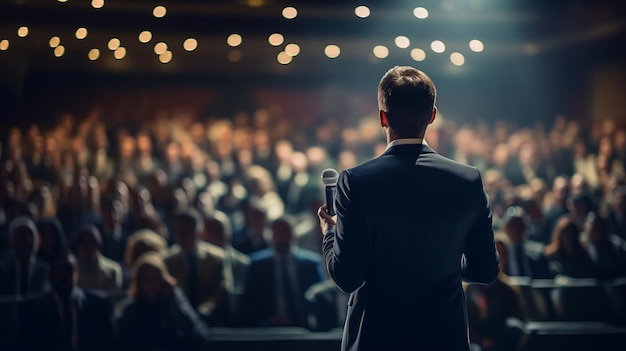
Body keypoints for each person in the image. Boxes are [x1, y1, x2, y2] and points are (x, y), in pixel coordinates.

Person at [317, 66, 500, 351]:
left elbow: (347, 277)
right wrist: (446, 263)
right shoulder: (468, 180)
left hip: (377, 339)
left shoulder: (356, 182)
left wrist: (330, 232)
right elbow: (485, 270)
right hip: (443, 338)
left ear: (382, 117)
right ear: (432, 115)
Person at [19, 252, 115, 351]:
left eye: (69, 270)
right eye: (59, 270)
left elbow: (108, 343)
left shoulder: (98, 305)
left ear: (77, 272)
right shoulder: (33, 309)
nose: (64, 275)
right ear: (50, 274)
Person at [241, 216, 325, 328]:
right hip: (267, 328)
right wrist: (267, 320)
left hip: (304, 327)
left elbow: (322, 297)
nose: (282, 237)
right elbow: (249, 302)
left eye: (286, 232)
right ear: (271, 235)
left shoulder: (311, 264)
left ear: (294, 235)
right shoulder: (257, 265)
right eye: (278, 232)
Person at [117, 252, 210, 351]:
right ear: (139, 282)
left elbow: (197, 333)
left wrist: (175, 299)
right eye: (146, 279)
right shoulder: (130, 311)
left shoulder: (171, 308)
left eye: (156, 279)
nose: (151, 285)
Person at [0, 216, 49, 295]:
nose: (27, 240)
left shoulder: (44, 270)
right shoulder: (2, 268)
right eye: (21, 235)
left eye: (30, 235)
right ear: (11, 240)